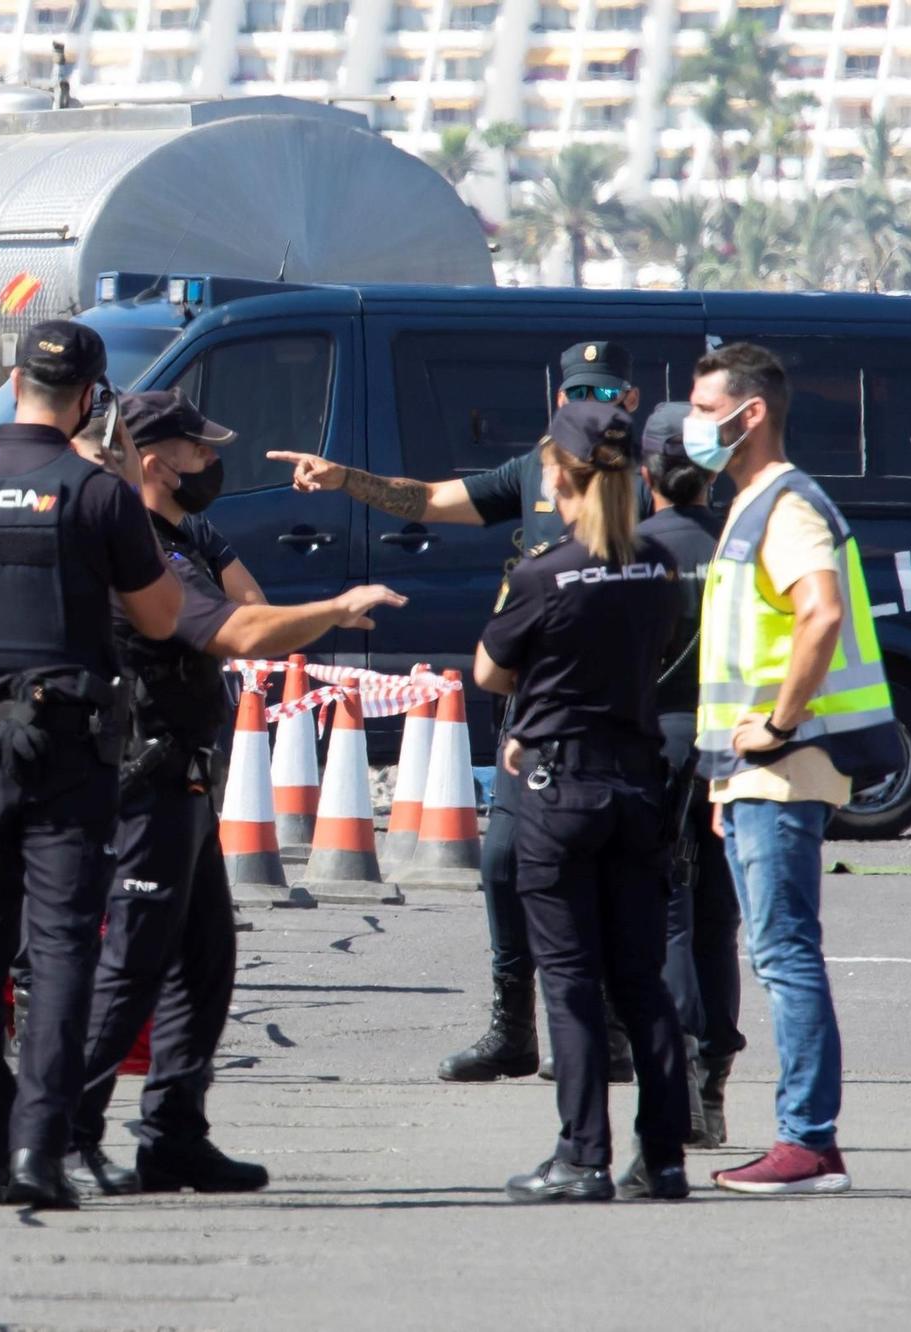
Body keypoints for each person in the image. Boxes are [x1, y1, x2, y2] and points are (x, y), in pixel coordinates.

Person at [271, 340, 644, 1085]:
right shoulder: (535, 471)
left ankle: (613, 1030)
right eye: (577, 396)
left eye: (603, 397)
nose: (589, 409)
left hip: (616, 712)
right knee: (502, 864)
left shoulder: (653, 480)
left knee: (609, 876)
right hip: (531, 714)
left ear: (629, 402)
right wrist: (347, 479)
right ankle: (513, 1027)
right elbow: (430, 499)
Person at [64, 390, 405, 1198]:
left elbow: (249, 606)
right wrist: (335, 606)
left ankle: (174, 1136)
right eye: (197, 451)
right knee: (132, 965)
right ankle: (63, 1132)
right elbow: (242, 632)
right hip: (147, 775)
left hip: (185, 774)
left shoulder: (182, 536)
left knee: (205, 959)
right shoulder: (138, 552)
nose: (213, 462)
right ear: (153, 461)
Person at [0, 319, 183, 1210]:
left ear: (15, 382)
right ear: (93, 398)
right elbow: (163, 620)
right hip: (66, 750)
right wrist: (125, 488)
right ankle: (35, 1155)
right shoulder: (95, 494)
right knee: (56, 955)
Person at [689, 342, 897, 1195]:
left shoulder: (787, 505)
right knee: (779, 951)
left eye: (705, 410)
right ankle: (805, 1140)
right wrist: (720, 777)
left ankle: (807, 1143)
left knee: (784, 954)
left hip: (785, 770)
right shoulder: (748, 503)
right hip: (750, 779)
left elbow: (821, 615)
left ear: (751, 413)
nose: (692, 425)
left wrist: (775, 727)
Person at [473, 400, 690, 1204]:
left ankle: (582, 1155)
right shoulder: (657, 565)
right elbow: (661, 646)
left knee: (568, 980)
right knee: (641, 980)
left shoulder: (541, 573)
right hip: (636, 780)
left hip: (559, 785)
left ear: (558, 476)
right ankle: (663, 1158)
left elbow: (489, 673)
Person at [636, 404, 744, 1147]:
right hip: (735, 747)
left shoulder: (636, 548)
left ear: (645, 474)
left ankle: (680, 1084)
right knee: (718, 921)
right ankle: (712, 1082)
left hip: (658, 746)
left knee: (666, 915)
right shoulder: (746, 544)